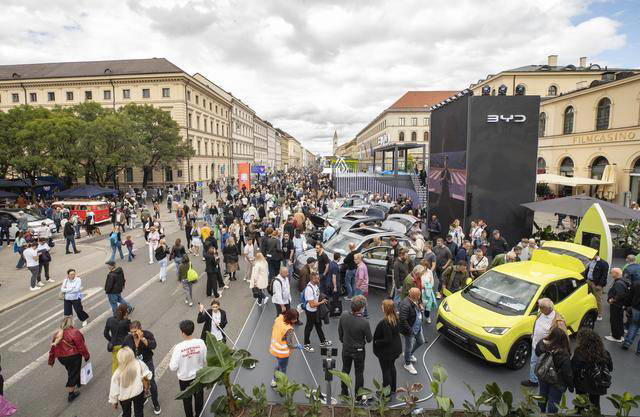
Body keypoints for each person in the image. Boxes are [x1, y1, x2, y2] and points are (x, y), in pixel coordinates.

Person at [521, 298, 567, 387]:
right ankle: (533, 380)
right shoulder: (541, 313)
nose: (540, 309)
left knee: (546, 366)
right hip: (535, 345)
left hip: (546, 349)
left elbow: (562, 336)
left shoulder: (558, 320)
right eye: (540, 307)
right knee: (533, 363)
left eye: (542, 308)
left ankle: (546, 382)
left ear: (549, 308)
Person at [122, 321, 162, 415]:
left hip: (147, 362)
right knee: (139, 384)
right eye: (131, 332)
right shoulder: (128, 338)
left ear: (140, 329)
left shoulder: (147, 334)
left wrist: (143, 338)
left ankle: (155, 403)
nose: (133, 334)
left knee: (151, 382)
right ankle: (143, 398)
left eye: (135, 331)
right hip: (135, 365)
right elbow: (123, 350)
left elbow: (153, 345)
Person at [169, 320, 207, 417]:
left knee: (187, 401)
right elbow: (206, 359)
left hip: (184, 379)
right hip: (198, 377)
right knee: (199, 399)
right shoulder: (201, 343)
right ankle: (199, 414)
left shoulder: (178, 348)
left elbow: (173, 367)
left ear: (182, 333)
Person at [48, 317, 90, 403]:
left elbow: (52, 348)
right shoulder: (74, 332)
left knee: (71, 370)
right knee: (73, 373)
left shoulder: (57, 334)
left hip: (61, 358)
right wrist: (86, 356)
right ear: (71, 323)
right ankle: (71, 394)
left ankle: (78, 381)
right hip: (73, 356)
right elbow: (81, 346)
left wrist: (51, 361)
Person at [338, 295, 372, 402]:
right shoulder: (364, 322)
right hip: (359, 351)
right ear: (361, 308)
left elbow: (340, 332)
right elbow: (369, 339)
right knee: (359, 373)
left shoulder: (344, 315)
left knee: (345, 370)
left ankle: (344, 392)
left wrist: (344, 341)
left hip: (346, 348)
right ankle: (358, 397)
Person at [571, 329, 613, 412]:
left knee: (580, 404)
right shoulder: (604, 352)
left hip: (582, 384)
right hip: (597, 384)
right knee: (595, 404)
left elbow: (574, 368)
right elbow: (610, 368)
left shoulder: (579, 352)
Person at [535, 327, 574, 413]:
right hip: (557, 382)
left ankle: (540, 413)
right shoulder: (563, 354)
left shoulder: (542, 344)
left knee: (542, 396)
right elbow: (567, 372)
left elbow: (537, 352)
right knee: (553, 401)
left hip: (544, 375)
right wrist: (571, 386)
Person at [109, 346, 153, 417]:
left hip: (124, 397)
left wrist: (114, 402)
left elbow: (114, 390)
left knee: (126, 413)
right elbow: (148, 375)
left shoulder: (117, 373)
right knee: (139, 412)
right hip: (138, 393)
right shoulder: (139, 363)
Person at [373, 299, 402, 394]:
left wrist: (377, 342)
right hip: (396, 349)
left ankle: (386, 393)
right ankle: (393, 388)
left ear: (386, 308)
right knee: (392, 367)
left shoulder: (385, 322)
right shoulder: (396, 318)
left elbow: (387, 339)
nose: (381, 306)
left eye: (383, 305)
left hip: (387, 352)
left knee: (385, 370)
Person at [269, 308, 302, 387]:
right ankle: (280, 384)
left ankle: (274, 379)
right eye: (295, 318)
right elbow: (290, 344)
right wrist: (297, 346)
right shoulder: (289, 329)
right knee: (283, 369)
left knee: (280, 365)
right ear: (290, 318)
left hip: (274, 349)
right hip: (282, 353)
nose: (296, 320)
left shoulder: (279, 319)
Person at [302, 272, 332, 352]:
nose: (319, 279)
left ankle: (323, 341)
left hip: (316, 310)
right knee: (309, 327)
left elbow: (317, 295)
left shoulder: (315, 285)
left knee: (318, 326)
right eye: (317, 278)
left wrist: (322, 298)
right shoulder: (309, 289)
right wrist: (321, 302)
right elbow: (312, 305)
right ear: (313, 279)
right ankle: (306, 344)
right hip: (311, 312)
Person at [399, 287, 425, 375]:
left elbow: (416, 310)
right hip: (410, 330)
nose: (420, 297)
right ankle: (407, 364)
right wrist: (410, 331)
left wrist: (420, 308)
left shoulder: (415, 301)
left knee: (421, 341)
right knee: (408, 347)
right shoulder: (405, 305)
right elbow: (403, 320)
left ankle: (409, 354)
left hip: (417, 327)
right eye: (419, 295)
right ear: (415, 296)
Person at [104, 304, 132, 373]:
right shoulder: (125, 322)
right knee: (126, 363)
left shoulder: (109, 320)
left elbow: (105, 333)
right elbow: (130, 330)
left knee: (116, 364)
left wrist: (111, 340)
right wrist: (129, 321)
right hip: (125, 345)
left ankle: (115, 377)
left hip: (115, 346)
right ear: (125, 313)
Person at [583, 254, 609, 321]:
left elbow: (604, 276)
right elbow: (588, 270)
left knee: (598, 299)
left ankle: (600, 314)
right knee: (587, 297)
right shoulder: (591, 261)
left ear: (596, 254)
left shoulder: (604, 263)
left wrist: (600, 285)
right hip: (588, 281)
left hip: (596, 284)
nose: (589, 256)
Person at [605, 268, 627, 343]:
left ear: (616, 273)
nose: (610, 274)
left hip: (616, 305)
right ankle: (620, 334)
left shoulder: (618, 283)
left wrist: (612, 300)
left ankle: (616, 337)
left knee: (614, 320)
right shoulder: (621, 280)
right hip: (619, 305)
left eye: (612, 273)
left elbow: (620, 295)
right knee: (619, 320)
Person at [622, 269, 640, 352]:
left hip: (636, 308)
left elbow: (629, 296)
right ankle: (639, 350)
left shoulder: (636, 283)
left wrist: (626, 306)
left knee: (634, 325)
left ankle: (627, 343)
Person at [354, 253, 369, 318]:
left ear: (359, 259)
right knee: (363, 300)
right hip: (365, 286)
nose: (354, 260)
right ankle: (366, 314)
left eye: (355, 259)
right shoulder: (363, 265)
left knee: (358, 301)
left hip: (361, 287)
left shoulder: (360, 267)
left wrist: (357, 286)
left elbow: (360, 278)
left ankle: (359, 315)